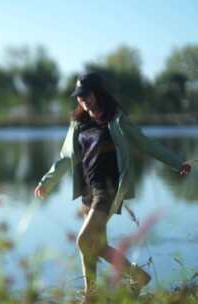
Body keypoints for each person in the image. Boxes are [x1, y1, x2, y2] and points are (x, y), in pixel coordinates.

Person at [33, 72, 192, 301]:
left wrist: (177, 163)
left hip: (107, 190)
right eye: (79, 97)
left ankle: (101, 290)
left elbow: (145, 143)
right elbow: (67, 157)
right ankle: (106, 288)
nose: (83, 100)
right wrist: (46, 182)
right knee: (97, 245)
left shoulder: (115, 119)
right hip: (88, 191)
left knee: (83, 240)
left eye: (86, 95)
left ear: (98, 93)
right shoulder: (78, 122)